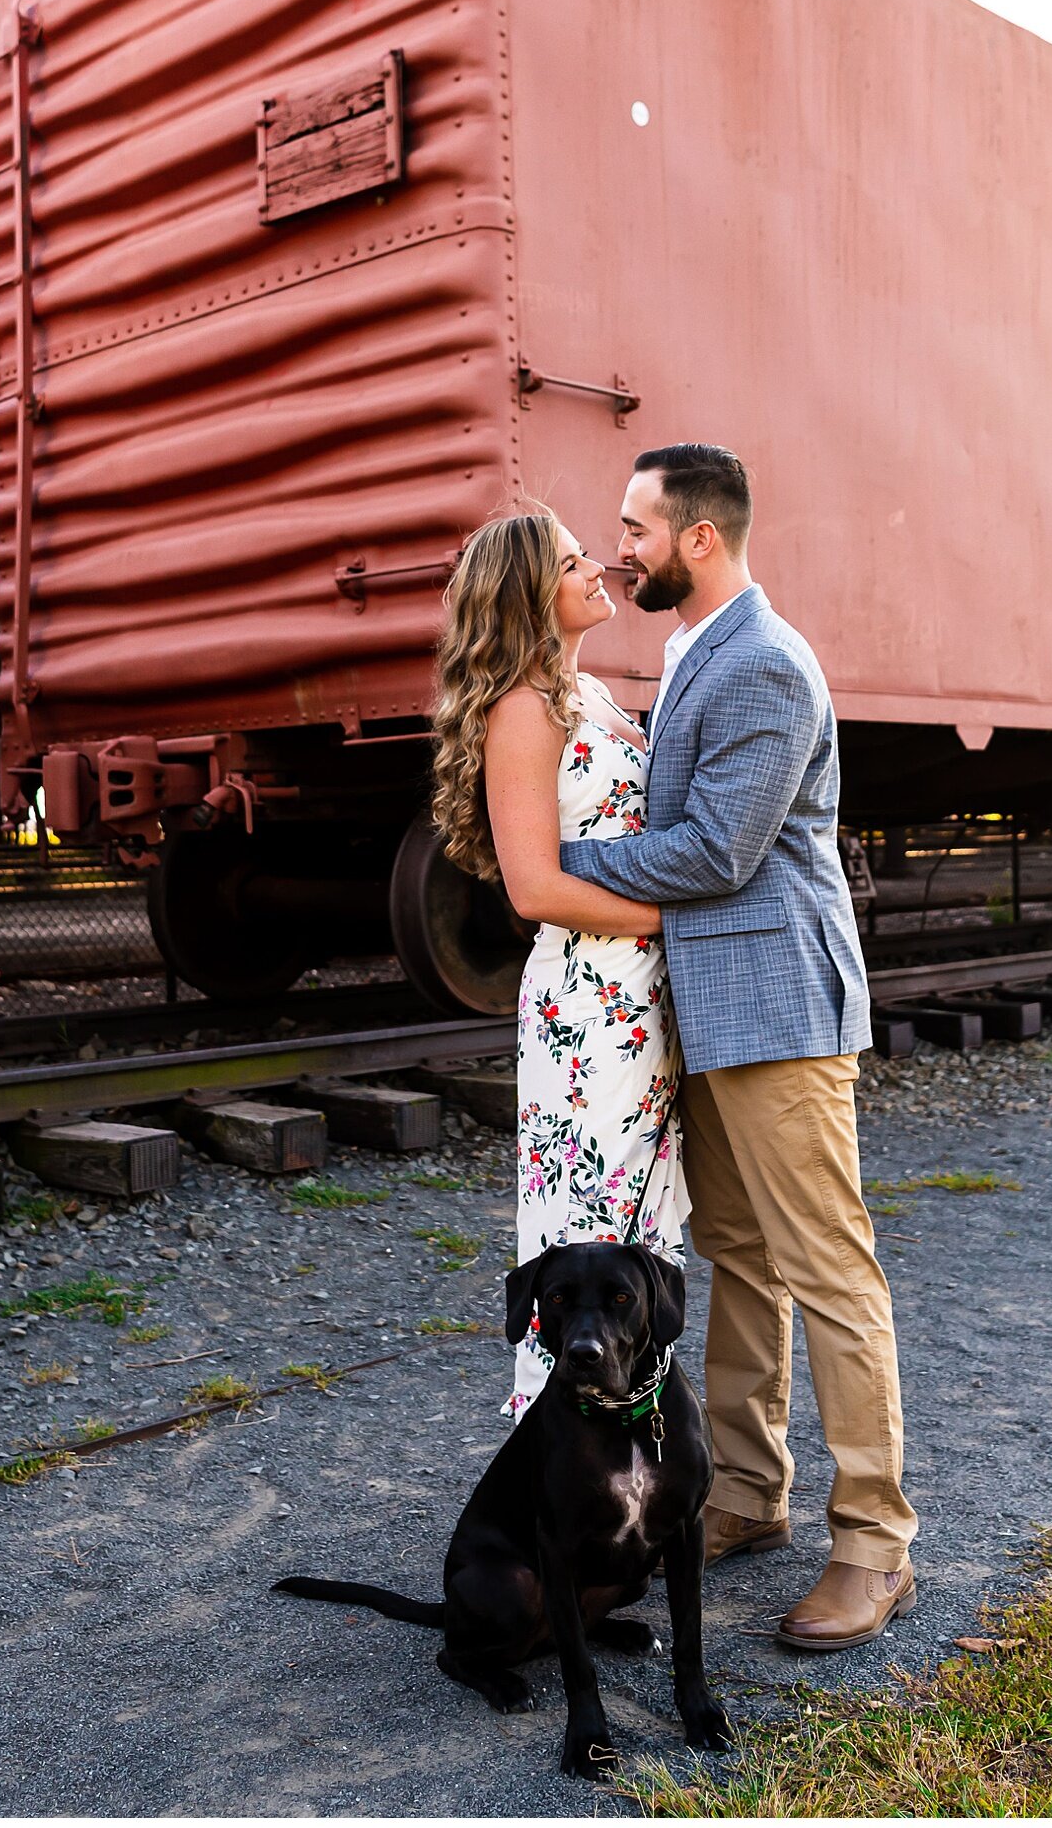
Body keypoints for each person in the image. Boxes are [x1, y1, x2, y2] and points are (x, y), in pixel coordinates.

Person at [557, 443, 918, 1652]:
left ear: (698, 538)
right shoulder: (691, 645)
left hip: (775, 1006)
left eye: (637, 527)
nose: (623, 545)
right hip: (713, 1009)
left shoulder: (763, 661)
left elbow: (717, 851)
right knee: (740, 1255)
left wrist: (554, 872)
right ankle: (750, 1498)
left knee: (829, 1268)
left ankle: (875, 1546)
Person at [430, 510, 689, 1420]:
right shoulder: (523, 710)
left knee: (644, 1225)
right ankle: (570, 1454)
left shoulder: (596, 697)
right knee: (589, 1223)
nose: (598, 568)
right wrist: (674, 919)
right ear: (530, 593)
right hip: (588, 1009)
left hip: (640, 999)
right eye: (574, 561)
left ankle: (634, 1455)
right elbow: (534, 887)